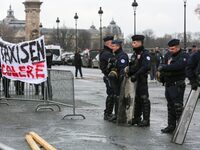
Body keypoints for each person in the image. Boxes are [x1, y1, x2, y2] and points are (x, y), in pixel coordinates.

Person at [158, 39, 188, 133]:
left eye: (173, 48)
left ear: (178, 47)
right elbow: (162, 63)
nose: (171, 50)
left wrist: (165, 68)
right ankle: (171, 126)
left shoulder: (183, 55)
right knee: (170, 106)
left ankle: (180, 128)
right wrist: (163, 68)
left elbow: (179, 66)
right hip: (168, 83)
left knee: (178, 106)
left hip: (177, 84)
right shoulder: (168, 54)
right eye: (170, 48)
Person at [125, 35, 151, 127]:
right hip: (134, 80)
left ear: (140, 42)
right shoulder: (134, 54)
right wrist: (129, 72)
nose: (133, 44)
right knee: (137, 99)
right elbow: (133, 66)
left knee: (144, 99)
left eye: (135, 42)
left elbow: (145, 67)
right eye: (133, 42)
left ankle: (146, 120)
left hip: (141, 79)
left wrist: (136, 75)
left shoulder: (145, 54)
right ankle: (136, 118)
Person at [108, 39, 129, 122]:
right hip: (114, 80)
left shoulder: (122, 56)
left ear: (118, 46)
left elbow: (122, 69)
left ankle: (119, 115)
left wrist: (120, 78)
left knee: (119, 97)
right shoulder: (115, 55)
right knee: (116, 97)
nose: (112, 48)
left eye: (113, 46)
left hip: (120, 80)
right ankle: (116, 114)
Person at [99, 35, 115, 120]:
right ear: (107, 43)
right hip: (109, 76)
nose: (113, 44)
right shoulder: (106, 53)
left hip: (109, 76)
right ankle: (108, 113)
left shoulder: (108, 52)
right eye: (111, 43)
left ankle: (108, 112)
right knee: (111, 95)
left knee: (111, 94)